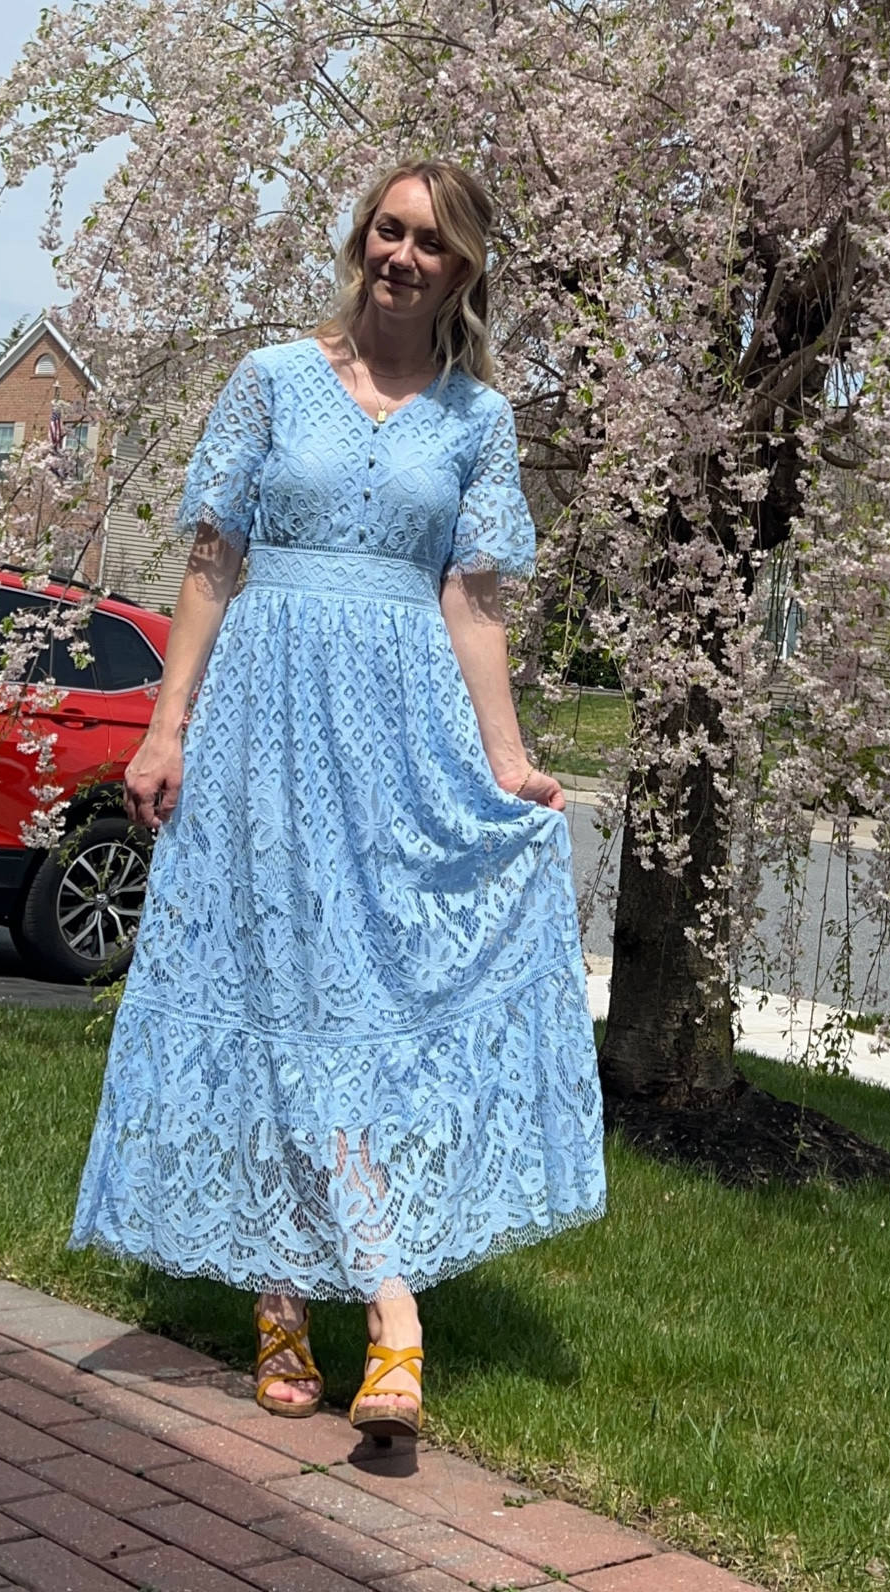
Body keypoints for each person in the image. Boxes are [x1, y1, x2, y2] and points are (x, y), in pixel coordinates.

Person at [70, 161, 606, 1437]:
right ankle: (319, 1307)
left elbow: (472, 601)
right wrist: (165, 723)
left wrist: (507, 758)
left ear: (460, 268)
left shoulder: (479, 418)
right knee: (279, 985)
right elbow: (212, 558)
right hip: (263, 716)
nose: (401, 256)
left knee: (366, 991)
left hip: (398, 728)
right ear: (358, 237)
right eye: (387, 228)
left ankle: (376, 1303)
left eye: (429, 242)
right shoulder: (267, 378)